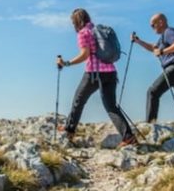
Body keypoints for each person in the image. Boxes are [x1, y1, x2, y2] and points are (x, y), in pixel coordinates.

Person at [56, 8, 138, 146]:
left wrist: (67, 63)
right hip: (111, 72)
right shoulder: (97, 30)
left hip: (93, 73)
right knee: (111, 106)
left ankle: (69, 130)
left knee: (78, 100)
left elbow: (85, 54)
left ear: (76, 22)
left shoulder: (84, 33)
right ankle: (128, 137)